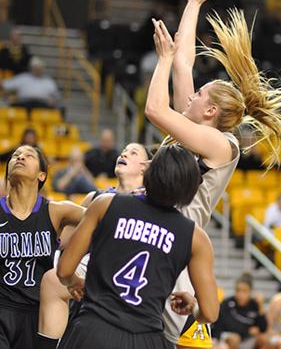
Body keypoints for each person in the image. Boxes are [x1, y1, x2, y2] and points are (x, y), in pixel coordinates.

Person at [144, 0, 281, 349]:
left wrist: (161, 62)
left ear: (210, 112)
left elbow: (155, 109)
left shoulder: (223, 144)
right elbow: (183, 62)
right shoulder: (192, 129)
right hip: (156, 234)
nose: (191, 95)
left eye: (200, 94)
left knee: (172, 342)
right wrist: (193, 4)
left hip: (177, 246)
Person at [56, 145, 219, 349]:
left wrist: (74, 281)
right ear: (190, 187)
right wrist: (193, 306)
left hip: (94, 328)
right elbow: (210, 313)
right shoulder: (196, 237)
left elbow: (63, 270)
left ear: (151, 172)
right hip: (146, 338)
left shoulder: (106, 204)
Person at [37, 142, 150, 348]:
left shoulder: (153, 199)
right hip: (95, 264)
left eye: (133, 152)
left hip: (136, 270)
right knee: (52, 281)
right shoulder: (95, 197)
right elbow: (66, 242)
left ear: (146, 166)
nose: (124, 153)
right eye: (123, 150)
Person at [0, 144, 85, 349]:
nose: (20, 157)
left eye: (28, 155)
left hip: (38, 312)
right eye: (15, 156)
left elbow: (104, 218)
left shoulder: (56, 211)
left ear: (41, 175)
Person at [211, 273, 267, 349]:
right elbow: (228, 325)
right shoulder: (227, 303)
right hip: (227, 337)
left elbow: (263, 329)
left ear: (250, 291)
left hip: (247, 339)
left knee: (263, 339)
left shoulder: (255, 305)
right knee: (235, 338)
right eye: (238, 290)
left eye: (244, 291)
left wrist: (261, 306)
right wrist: (247, 330)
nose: (240, 294)